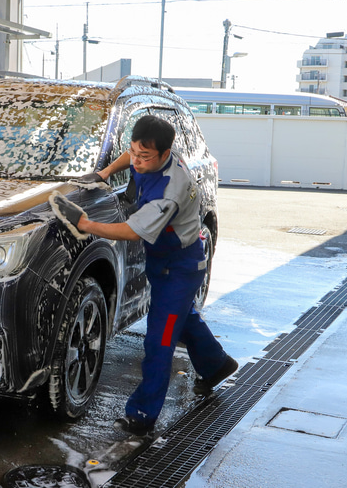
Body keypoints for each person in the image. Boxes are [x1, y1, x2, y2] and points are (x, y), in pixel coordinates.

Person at [51, 114, 237, 437]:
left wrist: (85, 225)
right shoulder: (153, 153)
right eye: (134, 152)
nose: (136, 161)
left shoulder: (170, 191)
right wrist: (105, 173)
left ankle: (142, 414)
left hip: (180, 269)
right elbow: (131, 154)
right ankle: (217, 365)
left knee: (159, 340)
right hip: (166, 262)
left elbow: (131, 232)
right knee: (182, 319)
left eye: (144, 157)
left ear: (165, 154)